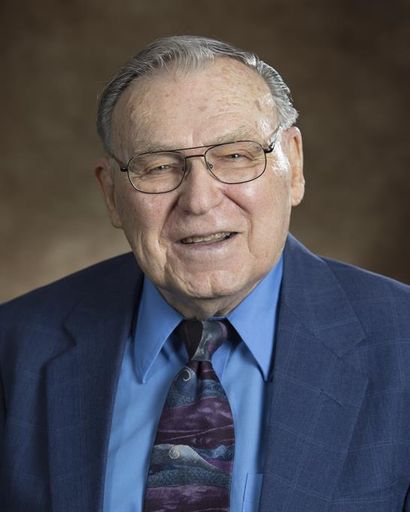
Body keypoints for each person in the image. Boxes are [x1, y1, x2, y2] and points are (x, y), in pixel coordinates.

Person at [1, 35, 409, 512]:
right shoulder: (15, 348)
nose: (198, 201)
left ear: (294, 165)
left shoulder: (401, 342)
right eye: (158, 166)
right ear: (111, 194)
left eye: (235, 156)